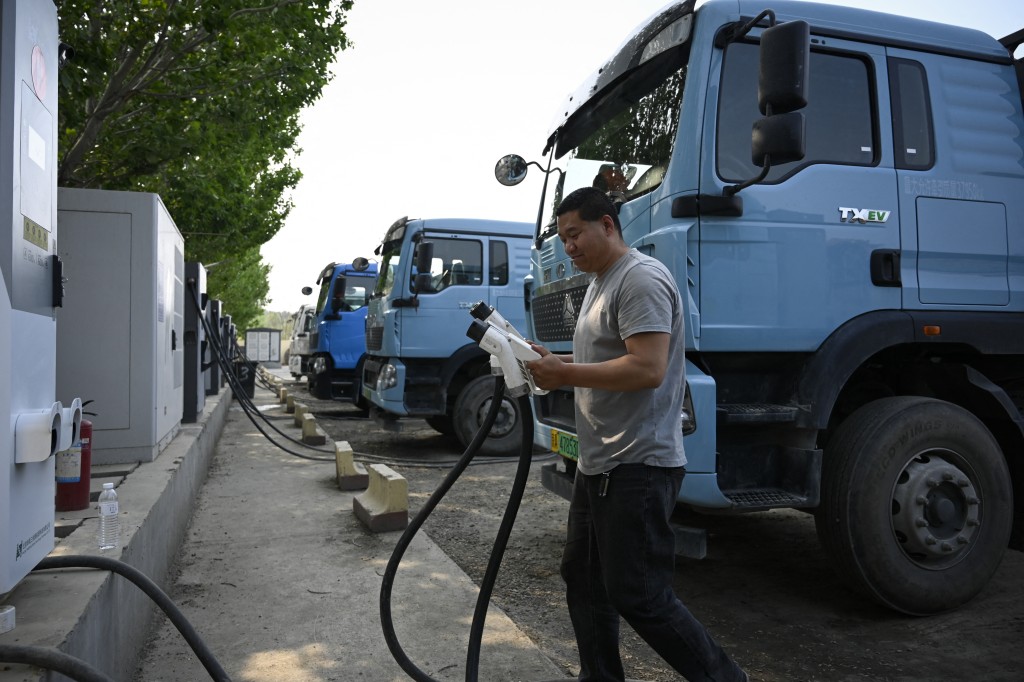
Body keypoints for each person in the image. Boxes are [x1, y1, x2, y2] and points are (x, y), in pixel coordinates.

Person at [526, 187, 748, 682]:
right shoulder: (600, 282)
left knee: (641, 594)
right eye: (563, 239)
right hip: (600, 461)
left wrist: (564, 375)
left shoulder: (640, 278)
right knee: (583, 578)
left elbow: (646, 368)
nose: (569, 248)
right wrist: (551, 361)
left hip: (638, 464)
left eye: (575, 234)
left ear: (607, 225)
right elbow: (601, 360)